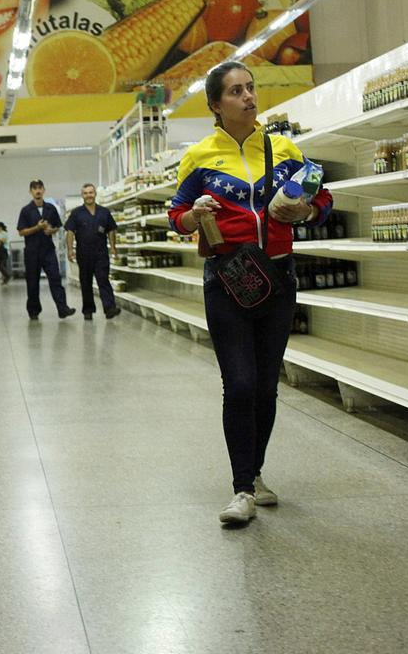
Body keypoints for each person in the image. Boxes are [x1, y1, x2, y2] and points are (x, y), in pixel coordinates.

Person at [167, 61, 333, 526]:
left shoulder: (282, 148)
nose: (248, 97)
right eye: (236, 91)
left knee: (264, 386)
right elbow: (175, 215)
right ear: (217, 105)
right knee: (238, 384)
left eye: (251, 88)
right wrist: (193, 216)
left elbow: (323, 200)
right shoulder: (199, 157)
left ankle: (255, 473)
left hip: (278, 280)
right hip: (227, 280)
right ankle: (242, 488)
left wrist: (304, 210)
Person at [17, 180, 76, 321]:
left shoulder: (51, 208)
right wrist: (37, 228)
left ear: (44, 190)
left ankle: (63, 309)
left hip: (48, 250)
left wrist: (51, 230)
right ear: (30, 191)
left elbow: (57, 226)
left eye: (40, 188)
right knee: (32, 282)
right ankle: (33, 311)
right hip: (32, 252)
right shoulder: (26, 211)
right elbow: (21, 232)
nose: (37, 191)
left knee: (56, 279)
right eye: (34, 189)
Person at [65, 183, 121, 320]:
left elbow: (111, 230)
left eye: (91, 192)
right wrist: (70, 250)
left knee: (103, 280)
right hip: (83, 253)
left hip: (101, 252)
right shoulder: (76, 213)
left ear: (95, 194)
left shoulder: (104, 212)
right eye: (86, 193)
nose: (89, 195)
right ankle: (88, 310)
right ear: (82, 195)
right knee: (86, 282)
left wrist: (113, 247)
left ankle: (109, 308)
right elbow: (70, 232)